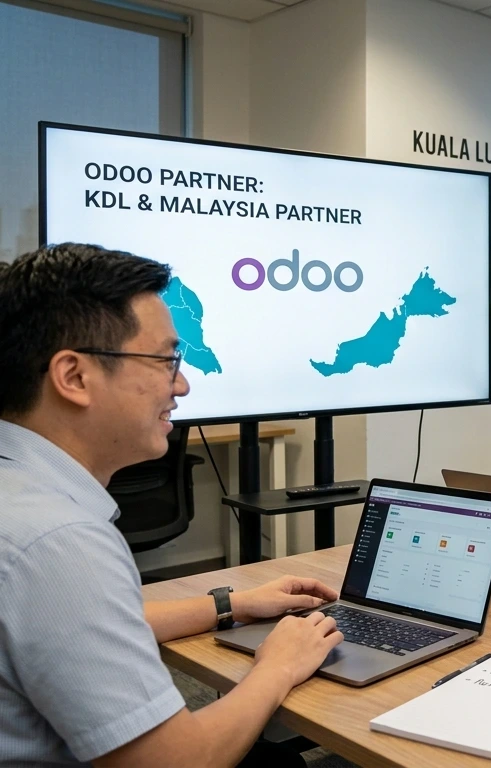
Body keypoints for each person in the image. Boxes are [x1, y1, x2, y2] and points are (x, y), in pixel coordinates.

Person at [0, 244, 344, 768]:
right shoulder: (58, 540)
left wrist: (232, 606)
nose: (181, 384)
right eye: (165, 361)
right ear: (73, 377)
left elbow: (78, 622)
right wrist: (279, 665)